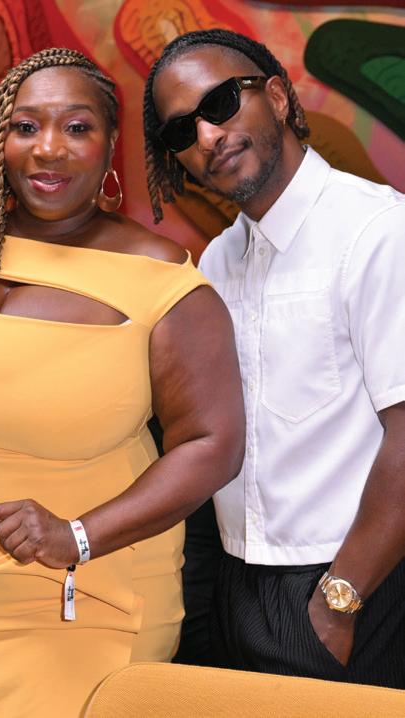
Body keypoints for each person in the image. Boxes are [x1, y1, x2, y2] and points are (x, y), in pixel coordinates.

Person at [0, 47, 245, 717]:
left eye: (76, 127)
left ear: (110, 144)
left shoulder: (161, 280)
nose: (47, 148)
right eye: (25, 127)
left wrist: (76, 535)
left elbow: (212, 445)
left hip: (87, 596)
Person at [144, 29, 405, 688]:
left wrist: (338, 602)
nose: (208, 135)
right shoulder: (217, 260)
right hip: (237, 588)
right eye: (181, 130)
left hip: (354, 588)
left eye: (221, 103)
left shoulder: (377, 231)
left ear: (280, 97)